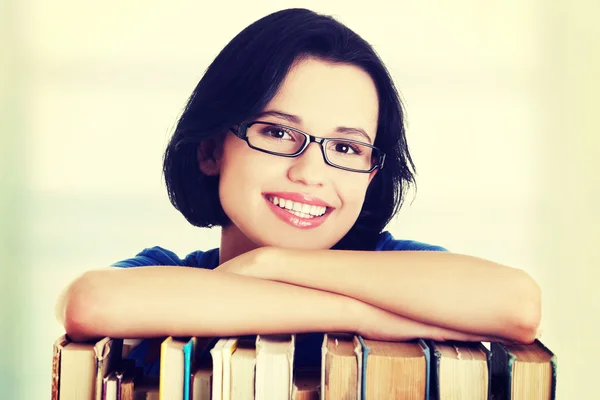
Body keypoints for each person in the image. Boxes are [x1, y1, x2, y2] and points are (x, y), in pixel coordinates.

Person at [56, 8, 541, 376]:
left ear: (371, 174)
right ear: (210, 151)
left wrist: (273, 264)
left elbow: (518, 305)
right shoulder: (168, 275)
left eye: (348, 147)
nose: (311, 173)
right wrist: (369, 316)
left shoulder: (394, 268)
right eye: (277, 133)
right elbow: (90, 303)